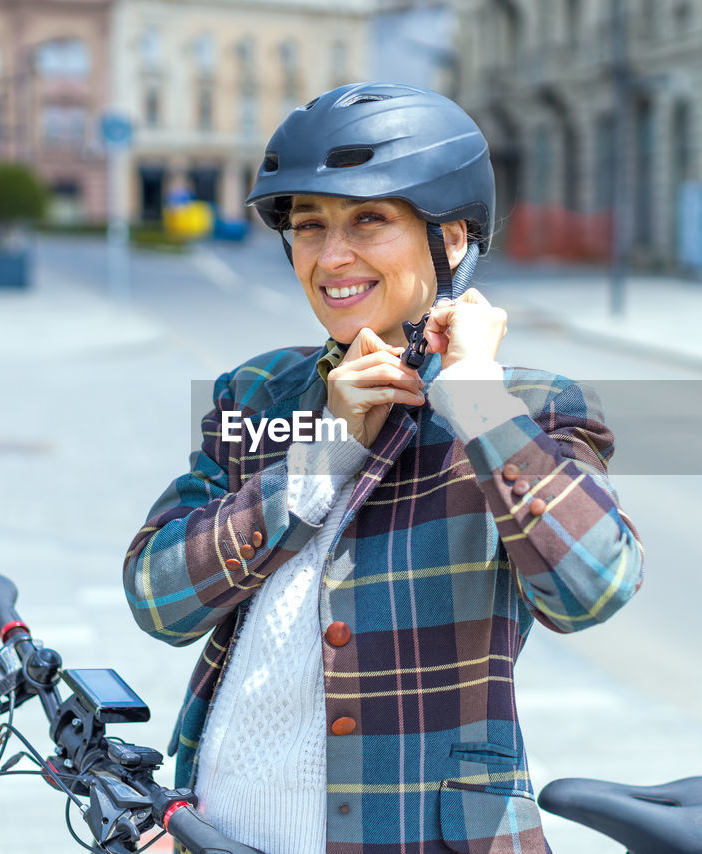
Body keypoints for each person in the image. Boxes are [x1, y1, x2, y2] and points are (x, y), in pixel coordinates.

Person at [124, 82, 644, 854]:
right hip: (216, 832)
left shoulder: (529, 408)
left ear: (453, 238)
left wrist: (473, 400)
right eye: (309, 226)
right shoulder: (258, 392)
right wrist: (325, 449)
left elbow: (594, 586)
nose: (333, 257)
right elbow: (158, 599)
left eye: (369, 220)